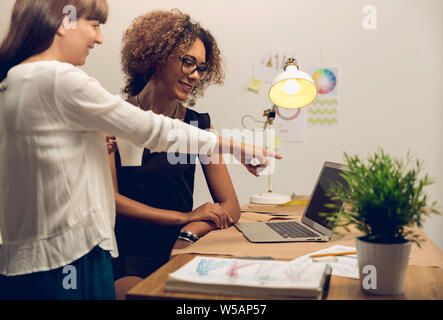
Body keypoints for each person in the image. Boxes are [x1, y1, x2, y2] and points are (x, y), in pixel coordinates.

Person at [0, 0, 279, 300]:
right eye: (94, 25)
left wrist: (89, 143)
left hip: (34, 262)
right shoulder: (58, 80)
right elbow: (153, 130)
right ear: (62, 21)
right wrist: (235, 147)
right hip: (71, 260)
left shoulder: (13, 83)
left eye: (201, 68)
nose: (99, 38)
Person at [110, 10, 249, 298]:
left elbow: (231, 205)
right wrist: (183, 217)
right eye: (188, 62)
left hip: (182, 248)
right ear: (157, 56)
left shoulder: (198, 125)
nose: (195, 75)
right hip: (128, 256)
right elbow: (112, 202)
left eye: (201, 68)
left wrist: (190, 231)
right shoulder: (114, 118)